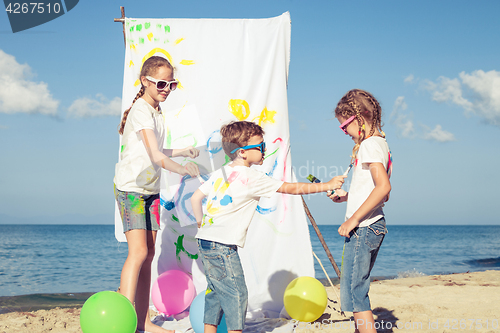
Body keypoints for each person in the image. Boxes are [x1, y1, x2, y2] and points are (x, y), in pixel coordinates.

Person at [191, 120, 346, 333]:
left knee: (216, 291)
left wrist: (201, 224)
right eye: (260, 146)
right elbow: (291, 188)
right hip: (223, 246)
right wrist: (327, 185)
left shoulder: (223, 172)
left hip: (205, 241)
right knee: (237, 294)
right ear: (242, 153)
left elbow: (195, 197)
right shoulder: (252, 177)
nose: (264, 150)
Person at [114, 55, 200, 333]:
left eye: (171, 84)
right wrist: (183, 168)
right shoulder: (141, 109)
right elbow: (154, 155)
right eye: (161, 83)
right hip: (131, 189)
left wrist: (183, 151)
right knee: (137, 252)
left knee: (149, 255)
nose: (166, 88)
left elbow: (157, 150)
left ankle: (142, 322)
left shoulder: (156, 111)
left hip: (150, 190)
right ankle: (125, 321)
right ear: (145, 81)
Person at [329, 89, 392, 333]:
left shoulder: (368, 145)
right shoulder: (382, 145)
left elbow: (384, 186)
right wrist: (348, 197)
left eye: (344, 127)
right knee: (358, 288)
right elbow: (382, 194)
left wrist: (353, 218)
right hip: (373, 225)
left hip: (364, 227)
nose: (345, 133)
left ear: (357, 119)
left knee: (355, 293)